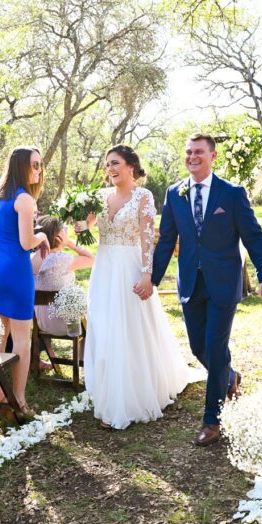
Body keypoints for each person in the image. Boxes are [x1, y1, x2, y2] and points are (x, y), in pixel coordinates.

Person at [152, 134, 262, 447]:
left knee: (216, 347)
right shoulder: (174, 193)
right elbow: (167, 239)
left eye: (199, 152)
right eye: (188, 152)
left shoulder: (232, 194)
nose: (192, 157)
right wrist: (152, 279)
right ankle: (230, 377)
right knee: (198, 348)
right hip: (190, 283)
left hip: (223, 282)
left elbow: (253, 235)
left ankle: (212, 420)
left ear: (213, 155)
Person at [79, 146, 195, 429]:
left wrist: (148, 275)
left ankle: (128, 398)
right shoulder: (100, 196)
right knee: (105, 325)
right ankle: (107, 391)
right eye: (107, 164)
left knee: (128, 327)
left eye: (115, 163)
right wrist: (78, 219)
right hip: (105, 268)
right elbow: (85, 227)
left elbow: (147, 239)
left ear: (131, 166)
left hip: (130, 266)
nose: (110, 169)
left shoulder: (143, 196)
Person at [0, 146, 49, 418]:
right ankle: (19, 401)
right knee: (22, 338)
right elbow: (26, 242)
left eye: (40, 165)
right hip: (16, 271)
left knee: (0, 333)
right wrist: (42, 236)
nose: (39, 170)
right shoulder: (24, 200)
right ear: (21, 166)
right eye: (34, 165)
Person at [32, 215, 94, 337]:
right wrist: (69, 243)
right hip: (66, 323)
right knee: (95, 319)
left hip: (42, 321)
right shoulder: (59, 260)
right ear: (59, 237)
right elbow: (92, 259)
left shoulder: (31, 258)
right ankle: (82, 356)